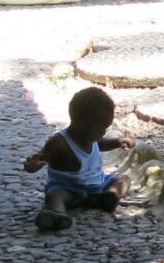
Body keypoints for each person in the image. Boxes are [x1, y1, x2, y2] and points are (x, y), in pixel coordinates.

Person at [23, 86, 134, 232]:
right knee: (55, 195)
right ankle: (56, 215)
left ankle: (109, 196)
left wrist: (119, 141)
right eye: (101, 129)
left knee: (123, 180)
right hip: (69, 190)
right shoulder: (59, 142)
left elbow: (102, 144)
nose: (103, 133)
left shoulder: (92, 138)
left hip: (97, 186)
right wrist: (34, 164)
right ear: (82, 125)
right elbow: (43, 158)